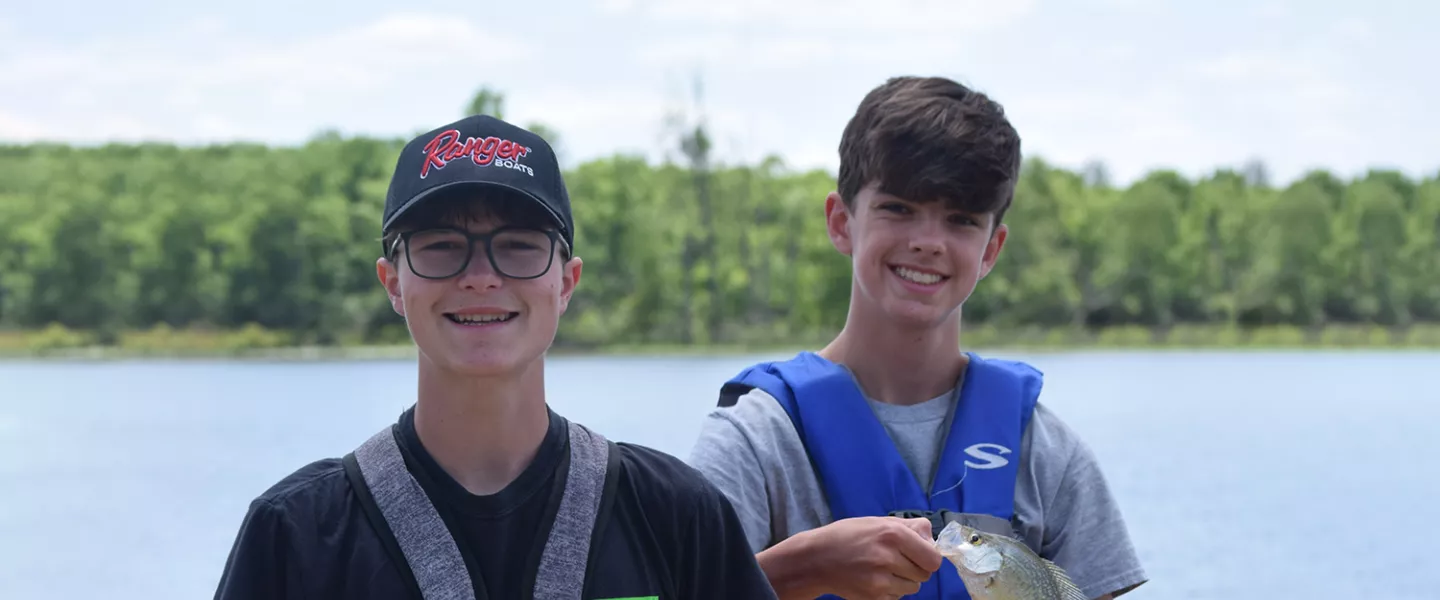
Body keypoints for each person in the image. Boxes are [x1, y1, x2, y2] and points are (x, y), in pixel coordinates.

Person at [213, 114, 778, 600]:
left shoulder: (677, 516)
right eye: (441, 247)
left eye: (518, 246)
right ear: (392, 283)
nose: (481, 278)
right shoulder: (298, 532)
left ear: (566, 281)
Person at [688, 76, 1149, 600]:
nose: (928, 242)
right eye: (898, 208)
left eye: (961, 219)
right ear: (841, 222)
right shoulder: (754, 441)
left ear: (992, 249)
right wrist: (800, 570)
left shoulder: (1047, 453)